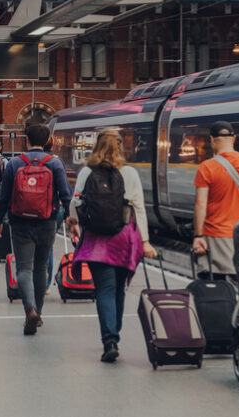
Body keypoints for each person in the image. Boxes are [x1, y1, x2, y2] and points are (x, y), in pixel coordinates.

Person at [67, 129, 158, 362]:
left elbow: (75, 202)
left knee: (104, 290)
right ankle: (115, 332)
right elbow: (139, 208)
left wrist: (74, 224)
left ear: (96, 146)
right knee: (119, 288)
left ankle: (109, 340)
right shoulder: (129, 173)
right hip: (124, 237)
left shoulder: (87, 171)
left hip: (97, 239)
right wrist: (145, 241)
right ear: (121, 147)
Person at [0, 124, 72, 335]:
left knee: (24, 269)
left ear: (26, 140)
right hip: (47, 222)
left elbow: (4, 196)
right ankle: (38, 312)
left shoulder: (15, 163)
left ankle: (29, 310)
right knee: (41, 267)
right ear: (48, 141)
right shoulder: (55, 164)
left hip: (20, 221)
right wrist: (71, 221)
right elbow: (66, 196)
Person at [192, 121, 239, 276]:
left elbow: (200, 204)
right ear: (233, 139)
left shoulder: (206, 167)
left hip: (215, 235)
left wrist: (198, 235)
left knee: (217, 284)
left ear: (212, 140)